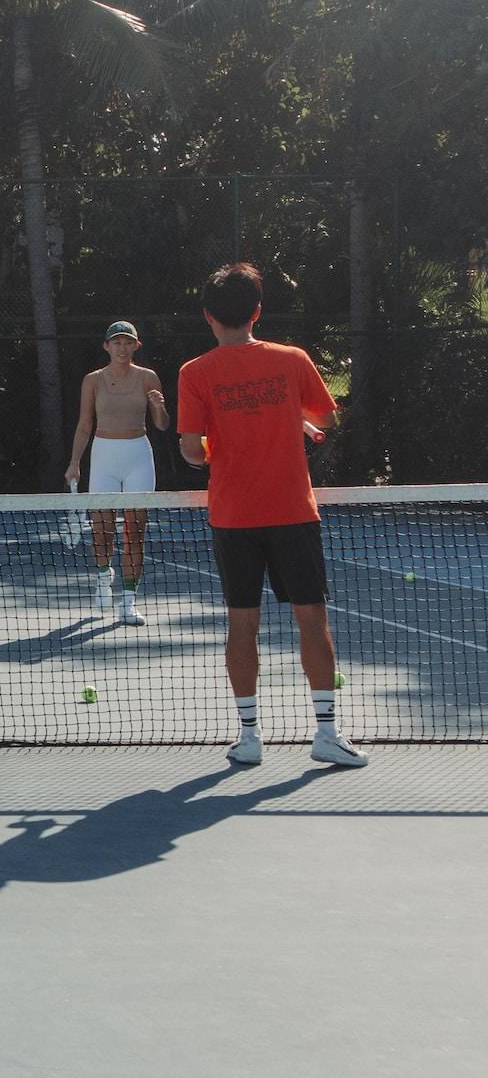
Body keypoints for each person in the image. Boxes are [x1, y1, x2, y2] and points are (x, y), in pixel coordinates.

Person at [177, 262, 366, 769]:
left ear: (207, 317)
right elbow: (325, 419)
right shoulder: (293, 360)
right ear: (257, 312)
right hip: (291, 513)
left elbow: (192, 452)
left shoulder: (194, 373)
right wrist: (296, 423)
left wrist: (220, 447)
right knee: (312, 620)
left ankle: (249, 737)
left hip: (233, 516)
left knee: (242, 625)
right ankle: (326, 734)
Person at [64, 321, 170, 625]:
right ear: (107, 347)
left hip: (138, 454)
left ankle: (128, 602)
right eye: (116, 343)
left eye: (128, 343)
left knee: (135, 532)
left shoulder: (148, 377)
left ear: (136, 346)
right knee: (102, 530)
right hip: (104, 456)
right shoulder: (93, 381)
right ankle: (102, 579)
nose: (122, 348)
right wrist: (74, 462)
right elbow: (85, 424)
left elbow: (161, 425)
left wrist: (159, 407)